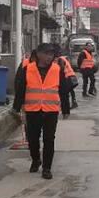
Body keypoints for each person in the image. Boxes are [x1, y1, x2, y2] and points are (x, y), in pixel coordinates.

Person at [12, 43, 62, 180]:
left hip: (51, 110)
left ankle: (47, 168)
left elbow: (63, 88)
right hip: (33, 110)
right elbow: (21, 89)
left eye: (51, 54)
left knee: (49, 139)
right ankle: (36, 159)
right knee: (33, 138)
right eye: (46, 54)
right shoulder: (28, 69)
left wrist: (66, 107)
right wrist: (16, 107)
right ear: (39, 54)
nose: (49, 57)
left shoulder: (57, 69)